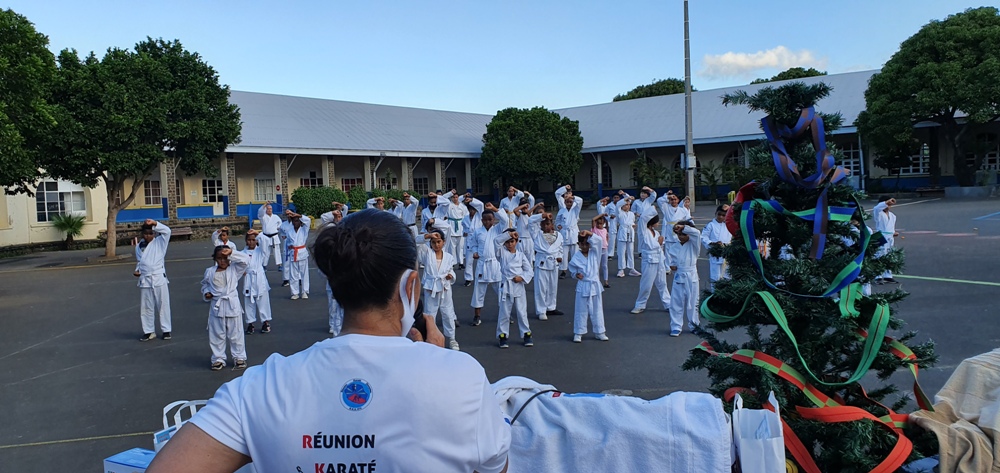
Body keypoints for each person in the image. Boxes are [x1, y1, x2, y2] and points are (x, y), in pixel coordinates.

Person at [147, 209, 511, 473]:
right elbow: (495, 467)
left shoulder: (260, 387)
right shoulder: (461, 378)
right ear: (410, 286)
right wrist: (437, 367)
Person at [200, 246, 250, 371]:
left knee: (236, 334)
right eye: (219, 258)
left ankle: (239, 357)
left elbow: (245, 260)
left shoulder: (235, 269)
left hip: (232, 306)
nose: (222, 261)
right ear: (214, 259)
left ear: (230, 258)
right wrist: (206, 292)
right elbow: (205, 284)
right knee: (217, 334)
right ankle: (218, 358)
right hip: (217, 307)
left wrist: (232, 252)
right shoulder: (209, 272)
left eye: (225, 258)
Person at [419, 230, 461, 350]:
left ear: (444, 242)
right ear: (430, 243)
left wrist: (451, 275)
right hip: (431, 287)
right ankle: (429, 338)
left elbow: (451, 270)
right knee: (429, 314)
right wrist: (428, 236)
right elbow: (417, 241)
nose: (436, 245)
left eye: (438, 242)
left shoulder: (449, 257)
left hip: (445, 288)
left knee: (448, 313)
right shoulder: (427, 254)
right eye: (433, 242)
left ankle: (452, 338)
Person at [470, 205, 510, 326]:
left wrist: (495, 209)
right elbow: (473, 244)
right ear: (481, 220)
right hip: (482, 264)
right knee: (478, 291)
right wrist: (475, 252)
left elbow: (505, 220)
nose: (487, 222)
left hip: (495, 263)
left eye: (490, 219)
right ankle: (477, 316)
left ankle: (505, 314)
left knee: (501, 291)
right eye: (485, 220)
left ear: (494, 220)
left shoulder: (498, 229)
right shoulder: (477, 232)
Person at [133, 219, 172, 341]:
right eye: (145, 234)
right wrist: (137, 270)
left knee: (163, 304)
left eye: (150, 233)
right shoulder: (139, 246)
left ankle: (166, 330)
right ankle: (149, 331)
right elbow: (140, 262)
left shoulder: (160, 242)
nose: (148, 236)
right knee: (146, 306)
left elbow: (167, 231)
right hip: (145, 278)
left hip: (158, 276)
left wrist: (155, 223)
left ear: (154, 233)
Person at [567, 230, 609, 343]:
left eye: (587, 244)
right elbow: (572, 271)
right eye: (582, 244)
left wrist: (588, 233)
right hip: (583, 285)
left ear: (590, 244)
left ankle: (600, 332)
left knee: (597, 309)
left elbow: (599, 240)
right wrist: (576, 275)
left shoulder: (595, 253)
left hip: (594, 285)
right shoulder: (576, 257)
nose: (585, 246)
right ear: (579, 244)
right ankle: (578, 332)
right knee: (581, 310)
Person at [495, 230, 534, 348]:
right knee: (504, 312)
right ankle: (502, 335)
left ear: (516, 242)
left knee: (522, 312)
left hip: (518, 286)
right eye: (507, 242)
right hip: (506, 286)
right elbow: (496, 241)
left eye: (512, 241)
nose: (510, 244)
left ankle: (526, 334)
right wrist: (509, 234)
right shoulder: (501, 253)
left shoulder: (521, 255)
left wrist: (521, 277)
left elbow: (529, 271)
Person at [630, 206, 671, 314]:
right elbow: (643, 218)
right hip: (649, 260)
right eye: (657, 221)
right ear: (652, 222)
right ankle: (640, 305)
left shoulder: (656, 233)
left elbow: (660, 246)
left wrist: (660, 243)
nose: (658, 223)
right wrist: (653, 209)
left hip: (659, 259)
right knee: (646, 284)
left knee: (662, 283)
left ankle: (668, 304)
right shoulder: (643, 231)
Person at [527, 204, 563, 320]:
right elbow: (530, 221)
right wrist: (543, 215)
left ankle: (551, 307)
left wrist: (560, 256)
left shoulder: (558, 235)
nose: (546, 226)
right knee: (541, 288)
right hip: (542, 263)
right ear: (541, 225)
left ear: (552, 225)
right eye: (544, 224)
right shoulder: (537, 234)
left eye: (548, 224)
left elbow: (560, 248)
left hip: (553, 263)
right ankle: (541, 310)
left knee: (553, 287)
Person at [668, 222, 703, 337]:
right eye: (679, 234)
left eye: (684, 234)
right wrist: (672, 266)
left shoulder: (694, 245)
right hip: (679, 276)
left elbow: (697, 233)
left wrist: (683, 228)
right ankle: (676, 326)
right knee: (676, 303)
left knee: (693, 303)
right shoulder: (674, 247)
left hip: (691, 277)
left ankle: (694, 325)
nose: (681, 237)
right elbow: (672, 261)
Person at [320, 202, 349, 335]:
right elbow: (323, 217)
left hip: (344, 274)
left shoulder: (347, 228)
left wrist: (339, 206)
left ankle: (343, 325)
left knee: (343, 304)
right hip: (332, 273)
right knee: (332, 303)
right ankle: (332, 324)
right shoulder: (330, 228)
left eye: (340, 215)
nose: (338, 217)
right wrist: (332, 212)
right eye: (336, 216)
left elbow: (345, 208)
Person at [241, 230, 272, 335]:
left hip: (259, 279)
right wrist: (241, 271)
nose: (251, 242)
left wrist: (257, 234)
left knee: (263, 301)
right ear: (246, 241)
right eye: (249, 240)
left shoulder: (261, 251)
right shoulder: (242, 253)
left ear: (257, 241)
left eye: (253, 240)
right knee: (248, 302)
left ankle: (266, 322)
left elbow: (266, 241)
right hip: (248, 279)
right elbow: (236, 264)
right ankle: (250, 323)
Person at [281, 209, 311, 300]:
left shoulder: (304, 230)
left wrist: (298, 215)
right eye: (294, 221)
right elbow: (288, 243)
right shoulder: (289, 232)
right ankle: (295, 293)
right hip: (293, 253)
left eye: (297, 221)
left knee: (304, 274)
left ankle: (304, 291)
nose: (295, 222)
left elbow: (308, 220)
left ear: (300, 222)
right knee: (293, 275)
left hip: (302, 253)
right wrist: (289, 247)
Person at [656, 190, 692, 268]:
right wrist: (668, 196)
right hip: (669, 231)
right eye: (672, 199)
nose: (673, 201)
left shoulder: (682, 210)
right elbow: (659, 200)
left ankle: (678, 265)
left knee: (679, 250)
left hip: (679, 232)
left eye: (675, 199)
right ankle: (667, 267)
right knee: (668, 251)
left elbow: (688, 221)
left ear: (678, 200)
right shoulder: (666, 207)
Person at [702, 205, 733, 292]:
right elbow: (703, 237)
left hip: (727, 253)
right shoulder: (710, 225)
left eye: (723, 215)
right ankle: (715, 294)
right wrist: (712, 243)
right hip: (715, 254)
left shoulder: (729, 225)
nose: (721, 217)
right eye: (719, 214)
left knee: (727, 276)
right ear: (716, 213)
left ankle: (726, 294)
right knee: (715, 276)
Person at [555, 185, 583, 278]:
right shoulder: (562, 209)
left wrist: (571, 197)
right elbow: (557, 220)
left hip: (573, 232)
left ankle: (576, 270)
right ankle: (563, 270)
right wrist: (558, 226)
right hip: (564, 233)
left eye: (570, 201)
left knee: (575, 252)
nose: (569, 202)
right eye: (567, 201)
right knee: (564, 253)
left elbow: (580, 200)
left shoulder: (575, 208)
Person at [873, 196, 899, 284]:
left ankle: (888, 275)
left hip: (890, 238)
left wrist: (893, 232)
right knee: (879, 255)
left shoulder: (893, 216)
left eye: (889, 205)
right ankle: (877, 276)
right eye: (887, 204)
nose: (888, 206)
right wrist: (886, 202)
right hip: (881, 236)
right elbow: (876, 208)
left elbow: (890, 228)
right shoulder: (878, 213)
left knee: (889, 255)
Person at [614, 195, 640, 278]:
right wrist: (627, 198)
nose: (627, 206)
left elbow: (632, 222)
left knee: (630, 251)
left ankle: (632, 268)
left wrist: (633, 225)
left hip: (630, 233)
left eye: (629, 205)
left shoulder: (632, 214)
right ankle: (621, 269)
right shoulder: (619, 212)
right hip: (622, 232)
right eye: (625, 205)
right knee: (621, 252)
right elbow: (618, 204)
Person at [461, 194, 484, 286]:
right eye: (470, 210)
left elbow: (481, 204)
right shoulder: (465, 219)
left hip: (479, 240)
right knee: (469, 261)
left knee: (481, 260)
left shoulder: (480, 215)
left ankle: (482, 276)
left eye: (473, 210)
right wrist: (465, 233)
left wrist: (471, 200)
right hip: (470, 241)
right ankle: (468, 278)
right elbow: (464, 229)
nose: (472, 211)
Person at [257, 202, 283, 270]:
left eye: (270, 209)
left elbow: (280, 223)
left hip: (274, 237)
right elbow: (260, 212)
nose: (269, 210)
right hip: (266, 237)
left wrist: (278, 227)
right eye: (268, 209)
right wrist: (265, 204)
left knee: (277, 252)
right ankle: (264, 265)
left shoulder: (276, 217)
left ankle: (279, 265)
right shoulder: (263, 217)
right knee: (265, 252)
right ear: (265, 210)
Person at [446, 192, 469, 269]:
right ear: (451, 198)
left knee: (460, 247)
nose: (455, 199)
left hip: (460, 226)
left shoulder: (462, 206)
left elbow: (466, 217)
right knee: (452, 247)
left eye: (456, 197)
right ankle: (453, 262)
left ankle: (461, 262)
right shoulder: (449, 205)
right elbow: (443, 198)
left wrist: (466, 229)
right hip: (452, 225)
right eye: (453, 197)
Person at [591, 213, 611, 288]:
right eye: (598, 223)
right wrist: (602, 214)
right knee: (597, 266)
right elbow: (593, 219)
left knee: (605, 265)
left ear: (603, 224)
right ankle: (597, 281)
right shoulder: (594, 229)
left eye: (601, 224)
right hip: (597, 249)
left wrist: (606, 243)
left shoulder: (605, 230)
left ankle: (606, 281)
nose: (599, 225)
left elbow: (606, 237)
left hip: (604, 249)